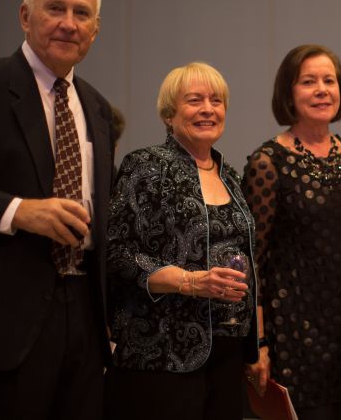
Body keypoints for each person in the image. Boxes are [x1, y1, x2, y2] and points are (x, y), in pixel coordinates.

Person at [0, 0, 115, 419]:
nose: (68, 23)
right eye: (55, 8)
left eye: (82, 13)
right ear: (25, 16)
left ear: (95, 30)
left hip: (83, 321)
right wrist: (16, 211)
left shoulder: (97, 108)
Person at [104, 62, 268, 420]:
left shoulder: (230, 176)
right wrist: (190, 281)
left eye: (216, 101)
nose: (208, 109)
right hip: (163, 352)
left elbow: (252, 263)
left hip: (228, 352)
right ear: (169, 114)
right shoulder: (145, 166)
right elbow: (117, 253)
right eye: (194, 101)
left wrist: (258, 344)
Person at [243, 44, 341, 420]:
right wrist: (258, 343)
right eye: (308, 82)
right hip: (295, 336)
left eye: (329, 81)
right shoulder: (267, 163)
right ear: (288, 92)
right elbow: (253, 262)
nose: (322, 90)